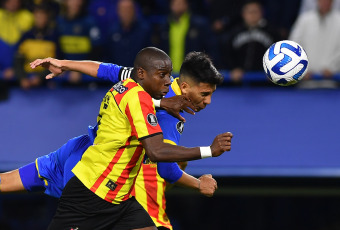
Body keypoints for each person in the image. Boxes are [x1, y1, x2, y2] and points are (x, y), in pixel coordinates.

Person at [1, 51, 224, 230]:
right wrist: (200, 175)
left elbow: (108, 70)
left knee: (5, 182)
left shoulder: (143, 78)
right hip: (96, 179)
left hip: (79, 149)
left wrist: (65, 64)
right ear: (184, 88)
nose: (209, 101)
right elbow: (164, 165)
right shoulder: (168, 116)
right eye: (205, 94)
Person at [221, 0, 282, 84]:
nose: (253, 15)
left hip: (265, 83)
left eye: (255, 12)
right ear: (243, 14)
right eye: (249, 12)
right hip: (238, 83)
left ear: (262, 13)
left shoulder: (272, 33)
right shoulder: (234, 33)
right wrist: (233, 68)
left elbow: (280, 54)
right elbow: (226, 54)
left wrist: (274, 69)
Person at [153, 0, 219, 74]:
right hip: (169, 76)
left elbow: (211, 50)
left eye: (180, 3)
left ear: (186, 4)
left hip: (193, 76)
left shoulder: (200, 25)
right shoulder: (163, 26)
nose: (177, 6)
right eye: (174, 3)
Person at [289, 0, 340, 88]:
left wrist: (333, 68)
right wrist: (301, 69)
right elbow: (293, 46)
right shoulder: (304, 19)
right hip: (306, 81)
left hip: (332, 82)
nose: (325, 2)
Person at [14, 3, 59, 90]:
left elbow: (58, 61)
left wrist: (40, 77)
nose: (40, 19)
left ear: (47, 17)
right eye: (38, 16)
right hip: (27, 80)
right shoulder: (26, 36)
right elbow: (18, 60)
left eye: (43, 16)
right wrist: (22, 78)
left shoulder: (53, 36)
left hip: (48, 82)